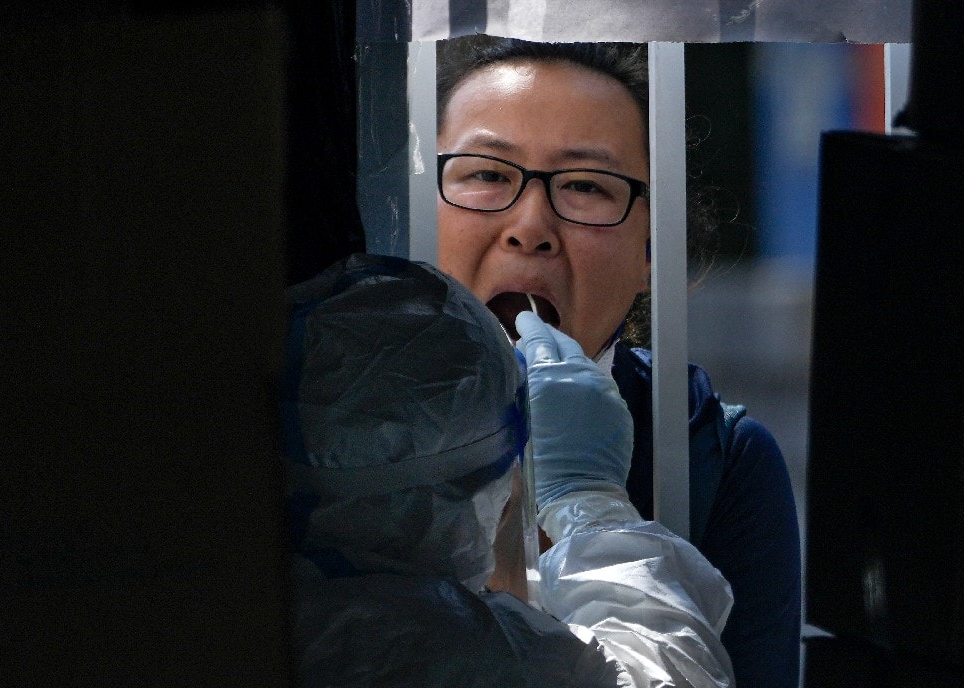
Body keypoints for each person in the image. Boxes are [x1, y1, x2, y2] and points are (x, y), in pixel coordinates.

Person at [436, 36, 803, 687]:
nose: (530, 224)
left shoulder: (712, 454)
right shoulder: (334, 423)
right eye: (487, 174)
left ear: (650, 251)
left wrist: (588, 508)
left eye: (584, 186)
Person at [282, 253, 735, 687]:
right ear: (495, 497)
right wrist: (588, 502)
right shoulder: (482, 662)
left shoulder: (238, 622)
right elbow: (676, 675)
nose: (531, 235)